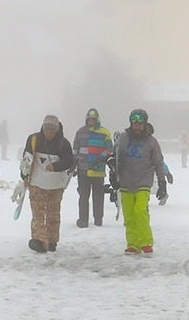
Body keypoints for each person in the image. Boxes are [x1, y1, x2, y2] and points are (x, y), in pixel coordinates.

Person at [111, 108, 168, 254]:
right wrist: (113, 173)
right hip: (126, 182)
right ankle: (133, 243)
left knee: (140, 211)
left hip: (143, 181)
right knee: (129, 214)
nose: (137, 126)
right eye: (134, 123)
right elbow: (116, 156)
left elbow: (158, 162)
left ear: (145, 124)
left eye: (140, 124)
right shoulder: (123, 138)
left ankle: (146, 242)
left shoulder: (151, 142)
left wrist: (162, 183)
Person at [20, 114, 74, 253]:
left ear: (57, 129)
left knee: (53, 215)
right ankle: (39, 240)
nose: (48, 132)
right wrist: (25, 176)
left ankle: (51, 241)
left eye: (51, 129)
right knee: (38, 214)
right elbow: (27, 159)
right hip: (37, 184)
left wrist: (56, 167)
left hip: (56, 186)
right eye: (46, 129)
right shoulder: (34, 140)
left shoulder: (64, 143)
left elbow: (69, 161)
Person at [71, 108, 114, 228]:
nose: (91, 121)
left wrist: (101, 158)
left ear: (97, 120)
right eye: (89, 119)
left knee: (98, 197)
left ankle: (98, 219)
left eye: (93, 119)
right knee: (83, 197)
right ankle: (83, 220)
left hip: (98, 171)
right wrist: (73, 165)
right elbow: (75, 151)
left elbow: (109, 149)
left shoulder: (105, 133)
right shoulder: (80, 132)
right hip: (83, 170)